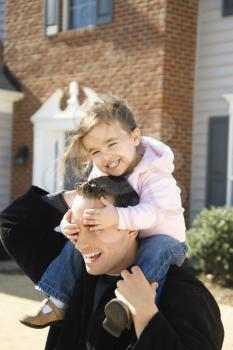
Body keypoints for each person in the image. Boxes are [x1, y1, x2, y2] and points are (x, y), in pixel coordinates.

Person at [20, 95, 187, 331]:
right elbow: (86, 201)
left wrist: (117, 217)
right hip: (126, 236)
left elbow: (154, 213)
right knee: (79, 243)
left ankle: (127, 308)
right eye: (95, 151)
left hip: (165, 239)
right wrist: (69, 222)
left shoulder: (155, 172)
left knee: (154, 250)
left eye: (112, 144)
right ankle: (57, 301)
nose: (105, 156)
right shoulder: (99, 171)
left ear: (135, 137)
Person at [0, 177, 224, 350]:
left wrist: (146, 315)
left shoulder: (184, 294)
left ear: (132, 227)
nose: (82, 244)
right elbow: (12, 223)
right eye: (76, 228)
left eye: (95, 226)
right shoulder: (69, 273)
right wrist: (82, 196)